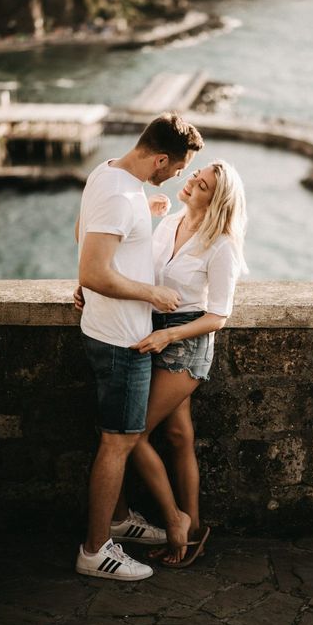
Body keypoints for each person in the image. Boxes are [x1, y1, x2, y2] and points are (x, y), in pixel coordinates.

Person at [75, 159, 247, 568]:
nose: (190, 182)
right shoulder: (169, 221)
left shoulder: (221, 244)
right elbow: (134, 269)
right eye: (195, 175)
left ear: (216, 199)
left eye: (201, 184)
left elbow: (218, 316)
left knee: (134, 435)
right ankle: (195, 528)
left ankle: (177, 525)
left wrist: (168, 335)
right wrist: (88, 287)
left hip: (184, 340)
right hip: (153, 327)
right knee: (178, 435)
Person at [74, 112, 204, 581]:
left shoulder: (105, 174)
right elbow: (93, 271)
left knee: (117, 436)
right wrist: (153, 293)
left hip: (104, 327)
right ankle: (95, 550)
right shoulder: (121, 194)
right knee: (118, 442)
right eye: (176, 169)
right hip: (122, 340)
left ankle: (116, 520)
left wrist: (142, 223)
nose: (176, 178)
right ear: (161, 158)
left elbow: (84, 238)